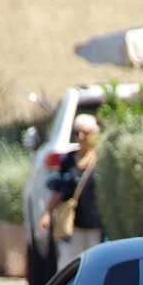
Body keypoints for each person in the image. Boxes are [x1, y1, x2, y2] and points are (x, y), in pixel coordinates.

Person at [39, 113, 102, 269]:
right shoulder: (68, 160)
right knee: (68, 265)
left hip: (95, 223)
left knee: (95, 265)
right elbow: (59, 188)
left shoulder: (101, 160)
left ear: (95, 135)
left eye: (85, 133)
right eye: (77, 133)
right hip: (72, 224)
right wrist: (47, 214)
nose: (81, 137)